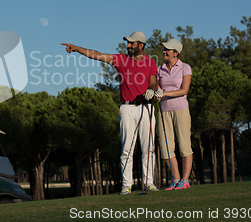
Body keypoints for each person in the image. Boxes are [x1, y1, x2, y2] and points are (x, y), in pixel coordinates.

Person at [62, 31, 159, 195]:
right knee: (127, 149)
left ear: (141, 45)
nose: (128, 46)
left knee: (148, 148)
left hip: (146, 107)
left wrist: (154, 91)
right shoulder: (121, 60)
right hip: (127, 108)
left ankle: (149, 183)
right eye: (128, 43)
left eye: (132, 43)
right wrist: (77, 48)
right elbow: (98, 55)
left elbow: (153, 83)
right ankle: (126, 185)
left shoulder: (150, 63)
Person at [154, 38, 193, 190]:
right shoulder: (159, 69)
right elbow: (158, 88)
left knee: (184, 146)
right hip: (164, 111)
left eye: (167, 49)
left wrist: (164, 94)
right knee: (166, 148)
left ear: (175, 53)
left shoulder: (185, 68)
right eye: (164, 48)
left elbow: (184, 90)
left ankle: (185, 180)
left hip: (181, 109)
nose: (164, 51)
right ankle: (176, 180)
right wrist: (157, 93)